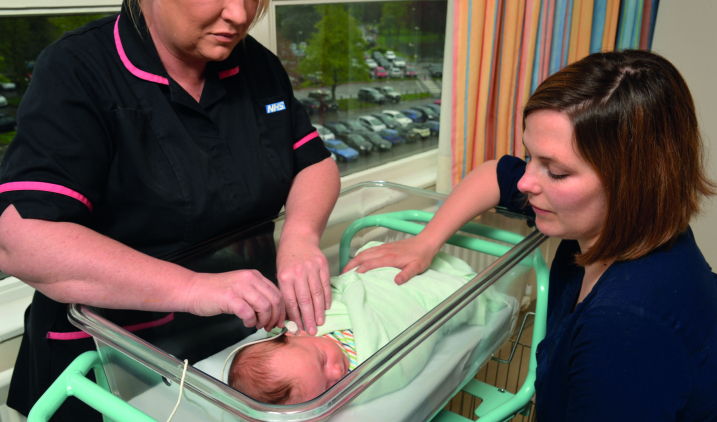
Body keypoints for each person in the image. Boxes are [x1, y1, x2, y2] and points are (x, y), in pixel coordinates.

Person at [0, 0, 340, 420]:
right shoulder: (79, 69)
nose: (239, 14)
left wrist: (301, 236)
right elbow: (22, 238)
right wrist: (194, 288)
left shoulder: (255, 64)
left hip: (239, 339)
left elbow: (313, 162)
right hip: (116, 356)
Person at [345, 50, 717, 421]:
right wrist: (425, 241)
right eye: (530, 157)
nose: (525, 182)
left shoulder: (624, 332)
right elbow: (495, 174)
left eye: (555, 172)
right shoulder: (632, 220)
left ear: (631, 184)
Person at [228, 242, 507, 405]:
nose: (337, 371)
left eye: (323, 359)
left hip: (381, 286)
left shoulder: (299, 326)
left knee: (371, 260)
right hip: (401, 312)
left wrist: (351, 287)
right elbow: (402, 360)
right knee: (450, 299)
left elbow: (337, 293)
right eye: (326, 387)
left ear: (293, 336)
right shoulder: (360, 378)